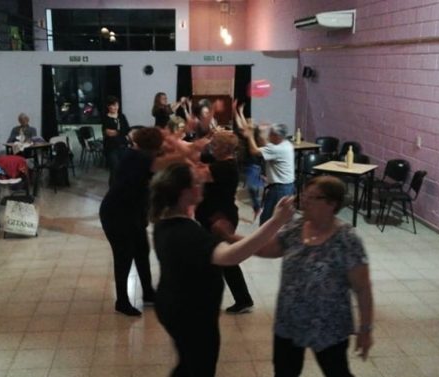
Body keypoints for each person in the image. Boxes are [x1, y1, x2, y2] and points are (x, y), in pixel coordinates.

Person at [150, 162, 295, 377]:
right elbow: (232, 256)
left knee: (188, 364)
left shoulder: (164, 221)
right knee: (199, 367)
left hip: (174, 304)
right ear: (184, 192)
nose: (202, 186)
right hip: (191, 314)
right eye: (197, 183)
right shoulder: (187, 233)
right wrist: (276, 221)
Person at [256, 176, 374, 377]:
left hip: (328, 325)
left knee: (336, 372)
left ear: (331, 204)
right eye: (304, 195)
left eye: (312, 197)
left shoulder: (346, 239)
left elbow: (363, 288)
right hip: (289, 322)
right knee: (284, 373)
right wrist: (232, 241)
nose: (304, 201)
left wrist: (365, 329)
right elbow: (270, 249)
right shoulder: (296, 227)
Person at [99, 127, 163, 316]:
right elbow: (165, 164)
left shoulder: (138, 155)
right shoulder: (139, 157)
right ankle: (122, 301)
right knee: (124, 257)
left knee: (142, 251)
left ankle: (148, 293)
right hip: (116, 213)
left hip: (132, 211)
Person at [194, 132, 254, 314]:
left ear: (224, 148)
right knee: (223, 259)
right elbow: (202, 158)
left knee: (218, 260)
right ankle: (243, 299)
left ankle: (218, 300)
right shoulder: (221, 162)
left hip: (220, 219)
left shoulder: (225, 167)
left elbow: (196, 174)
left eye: (215, 144)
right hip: (216, 216)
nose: (211, 147)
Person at [242, 122, 294, 225]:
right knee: (280, 219)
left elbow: (254, 151)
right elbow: (265, 145)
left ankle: (264, 240)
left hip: (279, 188)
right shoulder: (285, 143)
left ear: (277, 136)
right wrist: (260, 132)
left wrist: (250, 136)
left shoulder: (277, 149)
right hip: (286, 186)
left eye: (270, 134)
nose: (268, 136)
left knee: (268, 220)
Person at [233, 100, 263, 220]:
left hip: (253, 164)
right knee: (253, 186)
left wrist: (236, 111)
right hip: (248, 164)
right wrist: (239, 111)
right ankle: (258, 206)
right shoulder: (249, 133)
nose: (249, 121)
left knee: (252, 186)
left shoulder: (251, 134)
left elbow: (242, 125)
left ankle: (258, 208)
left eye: (250, 121)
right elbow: (242, 124)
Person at [101, 96, 130, 186]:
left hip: (123, 146)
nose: (115, 107)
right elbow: (107, 133)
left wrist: (116, 132)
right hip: (111, 148)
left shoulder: (122, 116)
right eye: (113, 105)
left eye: (116, 105)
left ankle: (121, 188)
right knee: (114, 169)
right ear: (108, 106)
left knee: (123, 169)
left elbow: (127, 129)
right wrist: (120, 132)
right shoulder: (105, 118)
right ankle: (113, 190)